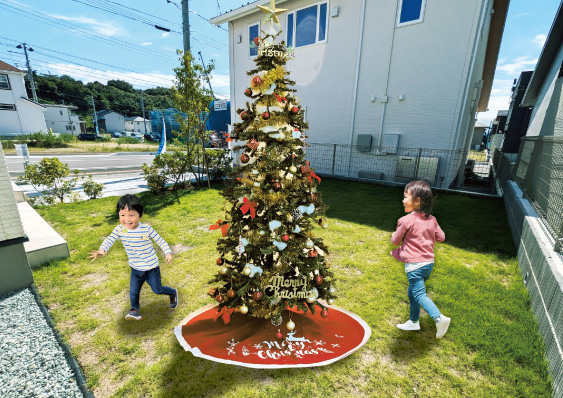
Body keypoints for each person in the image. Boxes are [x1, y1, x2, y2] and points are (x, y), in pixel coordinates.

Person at [88, 194, 178, 320]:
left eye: (131, 215)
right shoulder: (121, 230)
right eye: (122, 215)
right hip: (135, 268)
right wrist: (102, 249)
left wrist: (167, 253)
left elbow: (160, 240)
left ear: (140, 215)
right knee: (133, 292)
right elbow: (110, 239)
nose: (127, 219)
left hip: (151, 267)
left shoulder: (146, 229)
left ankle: (172, 292)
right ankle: (135, 311)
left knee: (157, 290)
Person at [391, 180, 450, 338]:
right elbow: (441, 237)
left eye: (406, 197)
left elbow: (395, 241)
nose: (403, 200)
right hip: (428, 265)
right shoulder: (432, 220)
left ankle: (439, 318)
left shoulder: (406, 221)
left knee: (419, 294)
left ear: (417, 201)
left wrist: (394, 235)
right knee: (412, 293)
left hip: (415, 266)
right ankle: (413, 321)